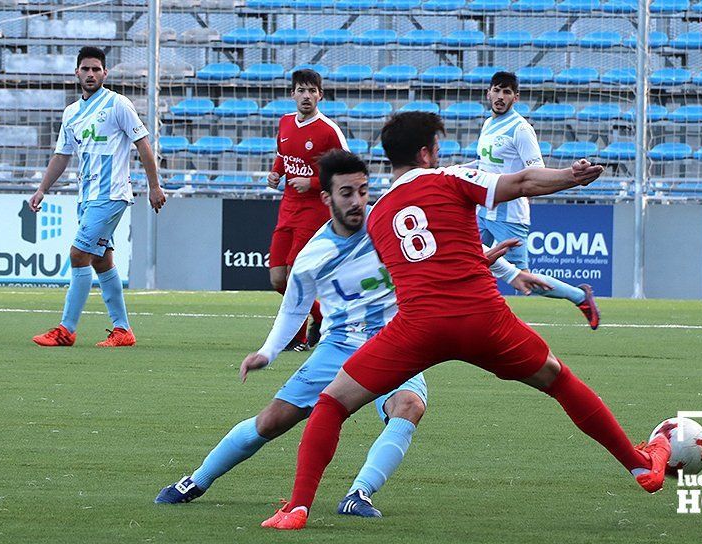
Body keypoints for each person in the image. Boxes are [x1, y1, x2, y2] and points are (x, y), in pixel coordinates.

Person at [261, 112, 671, 530]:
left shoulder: (377, 214)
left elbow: (411, 266)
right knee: (559, 380)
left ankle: (296, 508)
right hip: (482, 318)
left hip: (418, 327)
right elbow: (525, 182)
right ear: (425, 153)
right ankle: (640, 467)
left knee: (331, 404)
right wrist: (571, 175)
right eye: (436, 149)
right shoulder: (449, 178)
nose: (440, 156)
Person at [156, 150, 550, 517]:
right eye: (346, 193)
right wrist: (267, 353)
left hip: (396, 337)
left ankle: (358, 493)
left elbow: (448, 251)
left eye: (363, 190)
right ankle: (196, 480)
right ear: (326, 197)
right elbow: (293, 307)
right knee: (272, 422)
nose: (357, 200)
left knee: (409, 406)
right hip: (339, 346)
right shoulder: (313, 256)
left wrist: (512, 273)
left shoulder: (389, 220)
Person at [30, 46, 165, 347]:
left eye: (96, 69)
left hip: (112, 193)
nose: (91, 74)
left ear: (105, 73)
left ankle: (66, 330)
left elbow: (143, 144)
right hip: (87, 195)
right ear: (76, 72)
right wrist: (42, 189)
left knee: (79, 254)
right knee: (101, 261)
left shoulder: (118, 104)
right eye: (85, 69)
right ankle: (123, 331)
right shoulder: (71, 113)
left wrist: (154, 186)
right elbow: (62, 155)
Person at [474, 72, 600, 329]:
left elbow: (536, 170)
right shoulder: (488, 124)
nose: (500, 96)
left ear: (515, 97)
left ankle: (580, 297)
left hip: (510, 215)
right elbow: (484, 164)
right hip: (483, 210)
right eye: (496, 90)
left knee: (525, 279)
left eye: (507, 92)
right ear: (488, 92)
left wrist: (569, 175)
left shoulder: (520, 129)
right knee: (466, 260)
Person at [267, 69, 350, 351]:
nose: (306, 96)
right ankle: (322, 316)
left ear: (320, 95)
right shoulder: (285, 123)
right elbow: (283, 156)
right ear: (293, 94)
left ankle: (297, 337)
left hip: (315, 211)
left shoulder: (329, 131)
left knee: (294, 275)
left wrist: (313, 182)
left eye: (312, 91)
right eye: (301, 90)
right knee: (277, 278)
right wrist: (276, 173)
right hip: (287, 208)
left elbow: (347, 172)